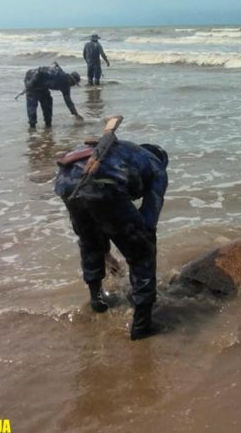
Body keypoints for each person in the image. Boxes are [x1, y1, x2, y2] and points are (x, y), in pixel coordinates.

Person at [54, 123, 168, 340]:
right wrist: (139, 247)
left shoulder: (125, 151)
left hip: (65, 180)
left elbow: (91, 213)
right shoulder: (156, 167)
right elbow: (149, 219)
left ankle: (98, 301)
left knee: (90, 242)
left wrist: (104, 249)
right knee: (142, 250)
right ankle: (142, 324)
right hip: (101, 181)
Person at [23, 63, 83, 129]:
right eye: (73, 82)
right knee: (32, 105)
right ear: (69, 78)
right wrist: (31, 83)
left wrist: (75, 114)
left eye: (74, 84)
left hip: (43, 87)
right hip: (32, 78)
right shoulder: (58, 75)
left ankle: (48, 126)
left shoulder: (66, 86)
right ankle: (32, 128)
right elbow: (40, 71)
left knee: (47, 104)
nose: (72, 85)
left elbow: (68, 101)